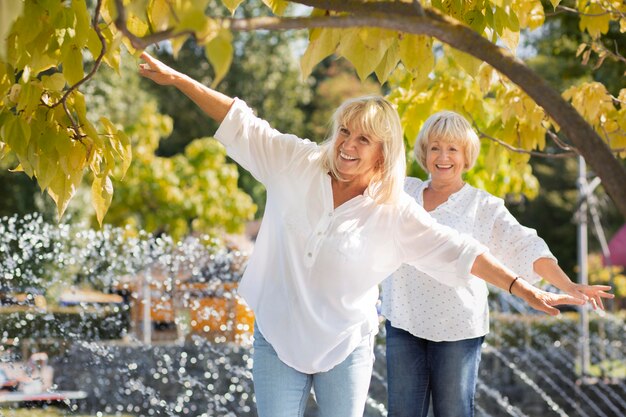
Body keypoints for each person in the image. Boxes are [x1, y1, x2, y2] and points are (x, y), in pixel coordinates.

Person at [138, 52, 585, 417]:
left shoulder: (394, 210)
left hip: (345, 346)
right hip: (277, 333)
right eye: (344, 133)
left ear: (383, 152)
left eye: (363, 140)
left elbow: (459, 250)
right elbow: (241, 122)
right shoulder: (295, 162)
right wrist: (179, 79)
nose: (348, 146)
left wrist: (525, 289)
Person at [381, 110, 614, 417]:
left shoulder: (483, 206)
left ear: (467, 156)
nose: (443, 156)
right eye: (435, 147)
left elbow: (525, 245)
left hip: (457, 330)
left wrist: (567, 285)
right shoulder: (403, 192)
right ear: (424, 152)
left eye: (453, 149)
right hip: (403, 322)